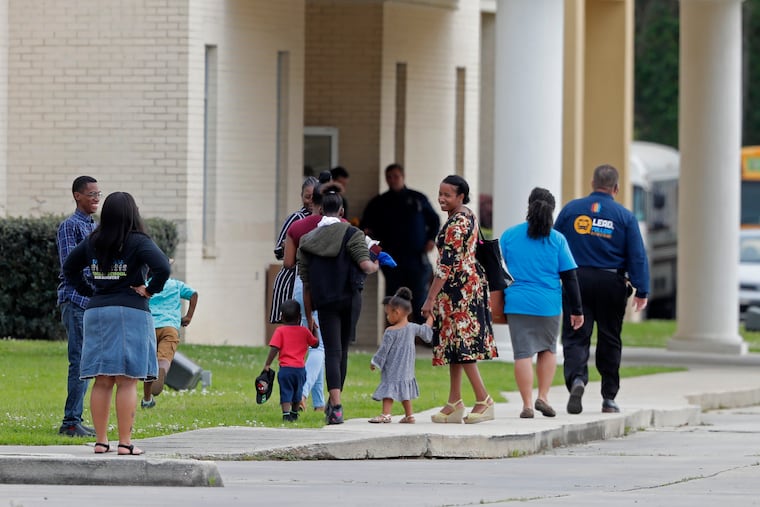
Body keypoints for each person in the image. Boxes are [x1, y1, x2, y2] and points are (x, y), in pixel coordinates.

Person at [62, 191, 170, 455]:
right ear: (133, 213)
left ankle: (100, 442)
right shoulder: (138, 241)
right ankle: (125, 443)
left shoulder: (92, 241)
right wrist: (149, 290)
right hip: (130, 312)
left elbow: (69, 267)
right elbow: (163, 268)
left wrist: (89, 290)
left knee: (102, 380)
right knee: (127, 380)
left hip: (97, 312)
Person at [554, 164, 649, 415]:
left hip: (577, 280)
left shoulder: (571, 210)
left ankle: (576, 379)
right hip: (611, 283)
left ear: (591, 183)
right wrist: (642, 289)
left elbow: (554, 244)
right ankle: (609, 398)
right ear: (616, 188)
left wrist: (553, 276)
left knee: (576, 333)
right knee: (610, 338)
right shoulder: (624, 216)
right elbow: (637, 255)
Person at [499, 188, 584, 419]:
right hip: (548, 304)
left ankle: (526, 405)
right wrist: (577, 310)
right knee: (547, 349)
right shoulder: (557, 239)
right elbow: (569, 276)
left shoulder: (510, 235)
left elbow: (500, 267)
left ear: (529, 206)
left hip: (516, 302)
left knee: (522, 354)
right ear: (552, 209)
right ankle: (543, 397)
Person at [298, 185, 379, 425]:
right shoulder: (352, 234)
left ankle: (336, 405)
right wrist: (376, 264)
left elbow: (306, 282)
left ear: (321, 209)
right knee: (342, 350)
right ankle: (335, 403)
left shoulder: (307, 239)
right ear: (341, 210)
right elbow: (365, 265)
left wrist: (309, 312)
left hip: (324, 301)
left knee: (330, 351)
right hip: (349, 298)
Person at [421, 175, 498, 424]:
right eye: (440, 194)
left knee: (462, 347)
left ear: (461, 196)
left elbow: (446, 266)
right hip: (458, 290)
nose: (442, 199)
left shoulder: (458, 223)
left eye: (447, 195)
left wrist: (429, 299)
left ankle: (484, 399)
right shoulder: (464, 215)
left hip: (461, 292)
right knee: (454, 346)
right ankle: (454, 403)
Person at [361, 163, 440, 323]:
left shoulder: (417, 198)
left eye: (396, 176)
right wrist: (375, 253)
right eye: (389, 177)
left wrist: (431, 240)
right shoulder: (379, 202)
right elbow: (366, 231)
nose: (392, 180)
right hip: (391, 259)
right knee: (394, 298)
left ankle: (422, 335)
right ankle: (395, 332)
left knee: (418, 297)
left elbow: (435, 220)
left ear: (402, 177)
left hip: (416, 258)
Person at [56, 175, 100, 438]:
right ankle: (70, 422)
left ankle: (77, 418)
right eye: (91, 194)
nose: (96, 199)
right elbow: (70, 266)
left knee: (88, 362)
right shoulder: (69, 227)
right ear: (77, 196)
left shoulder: (94, 227)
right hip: (76, 301)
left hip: (93, 303)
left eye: (99, 194)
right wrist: (96, 287)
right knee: (79, 361)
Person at [368, 287, 433, 424]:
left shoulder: (390, 332)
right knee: (405, 392)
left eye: (388, 314)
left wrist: (375, 362)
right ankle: (409, 416)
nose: (387, 317)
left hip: (392, 368)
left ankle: (386, 414)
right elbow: (426, 333)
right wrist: (431, 317)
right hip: (407, 368)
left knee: (388, 390)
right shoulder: (413, 327)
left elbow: (383, 351)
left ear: (396, 312)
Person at [141, 263, 199, 409]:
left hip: (149, 327)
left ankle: (147, 399)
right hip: (170, 328)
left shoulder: (146, 285)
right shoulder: (175, 284)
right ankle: (162, 370)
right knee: (164, 358)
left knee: (149, 365)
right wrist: (188, 317)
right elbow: (193, 294)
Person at [269, 176, 319, 323]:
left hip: (315, 280)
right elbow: (278, 250)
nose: (310, 201)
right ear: (301, 196)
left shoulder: (326, 220)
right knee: (291, 327)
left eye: (313, 197)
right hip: (291, 281)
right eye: (307, 196)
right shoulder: (296, 218)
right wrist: (291, 246)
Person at [263, 299, 319, 422]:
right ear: (299, 317)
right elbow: (315, 344)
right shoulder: (304, 331)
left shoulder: (280, 331)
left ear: (282, 317)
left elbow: (274, 348)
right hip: (300, 370)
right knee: (298, 392)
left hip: (285, 370)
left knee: (286, 391)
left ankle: (286, 414)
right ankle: (294, 413)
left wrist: (267, 364)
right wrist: (314, 329)